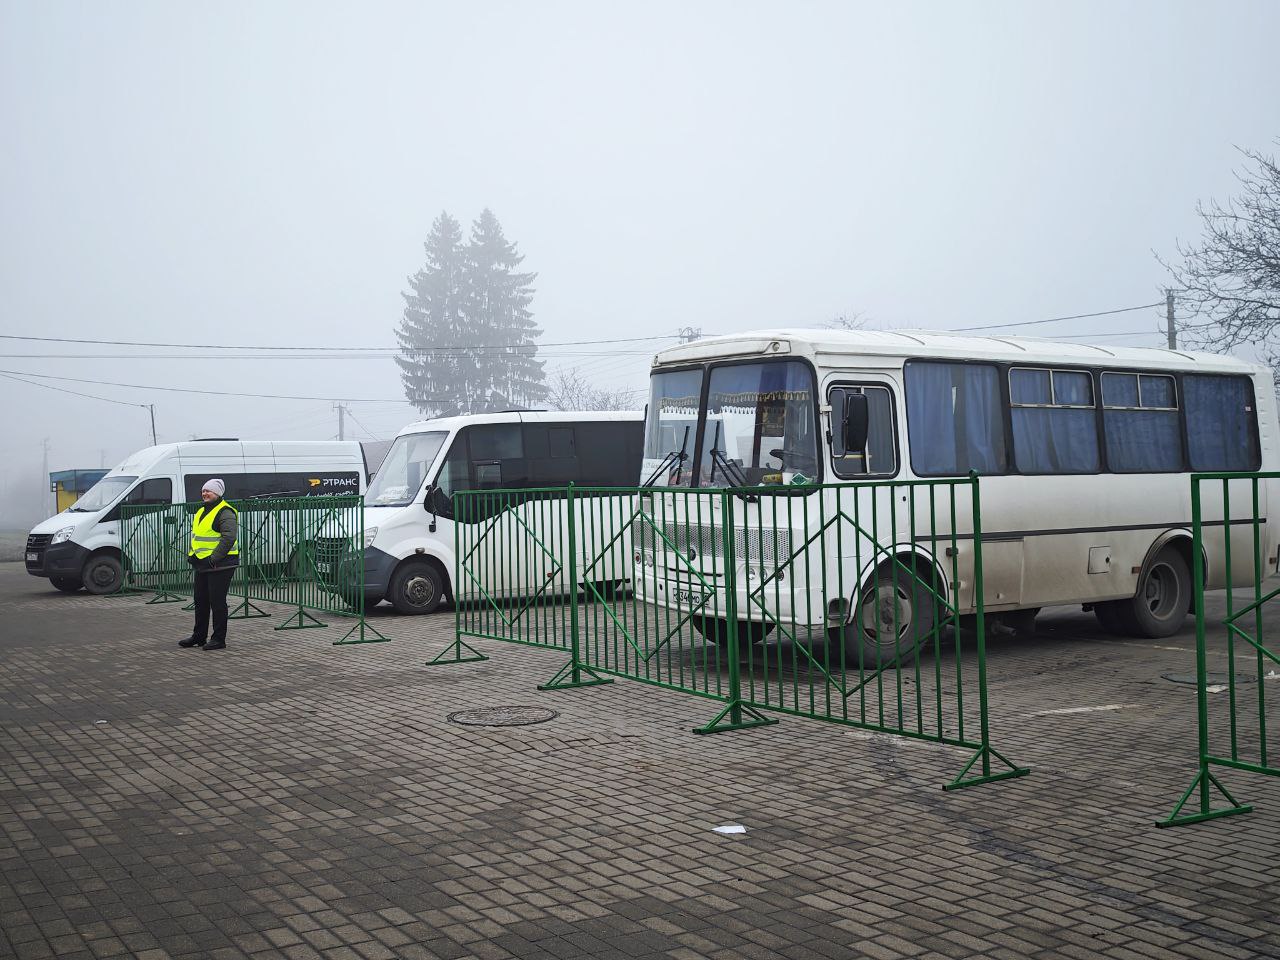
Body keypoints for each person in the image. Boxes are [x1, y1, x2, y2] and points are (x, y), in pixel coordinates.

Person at [179, 479, 239, 651]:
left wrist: (213, 559)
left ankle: (219, 639)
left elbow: (229, 538)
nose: (205, 493)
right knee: (200, 601)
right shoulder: (201, 511)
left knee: (217, 602)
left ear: (218, 493)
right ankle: (199, 636)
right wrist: (193, 556)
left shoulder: (225, 511)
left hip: (221, 564)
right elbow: (198, 537)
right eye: (203, 490)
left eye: (209, 491)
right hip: (203, 563)